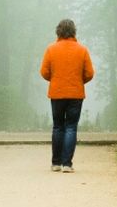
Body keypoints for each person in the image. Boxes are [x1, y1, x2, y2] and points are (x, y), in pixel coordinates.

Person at [39, 19, 95, 173]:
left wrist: (56, 79)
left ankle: (55, 163)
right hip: (76, 93)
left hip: (57, 93)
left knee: (58, 127)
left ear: (58, 31)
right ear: (74, 31)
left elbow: (44, 72)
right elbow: (89, 73)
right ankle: (67, 164)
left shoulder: (51, 49)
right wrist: (78, 81)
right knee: (71, 127)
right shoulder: (82, 50)